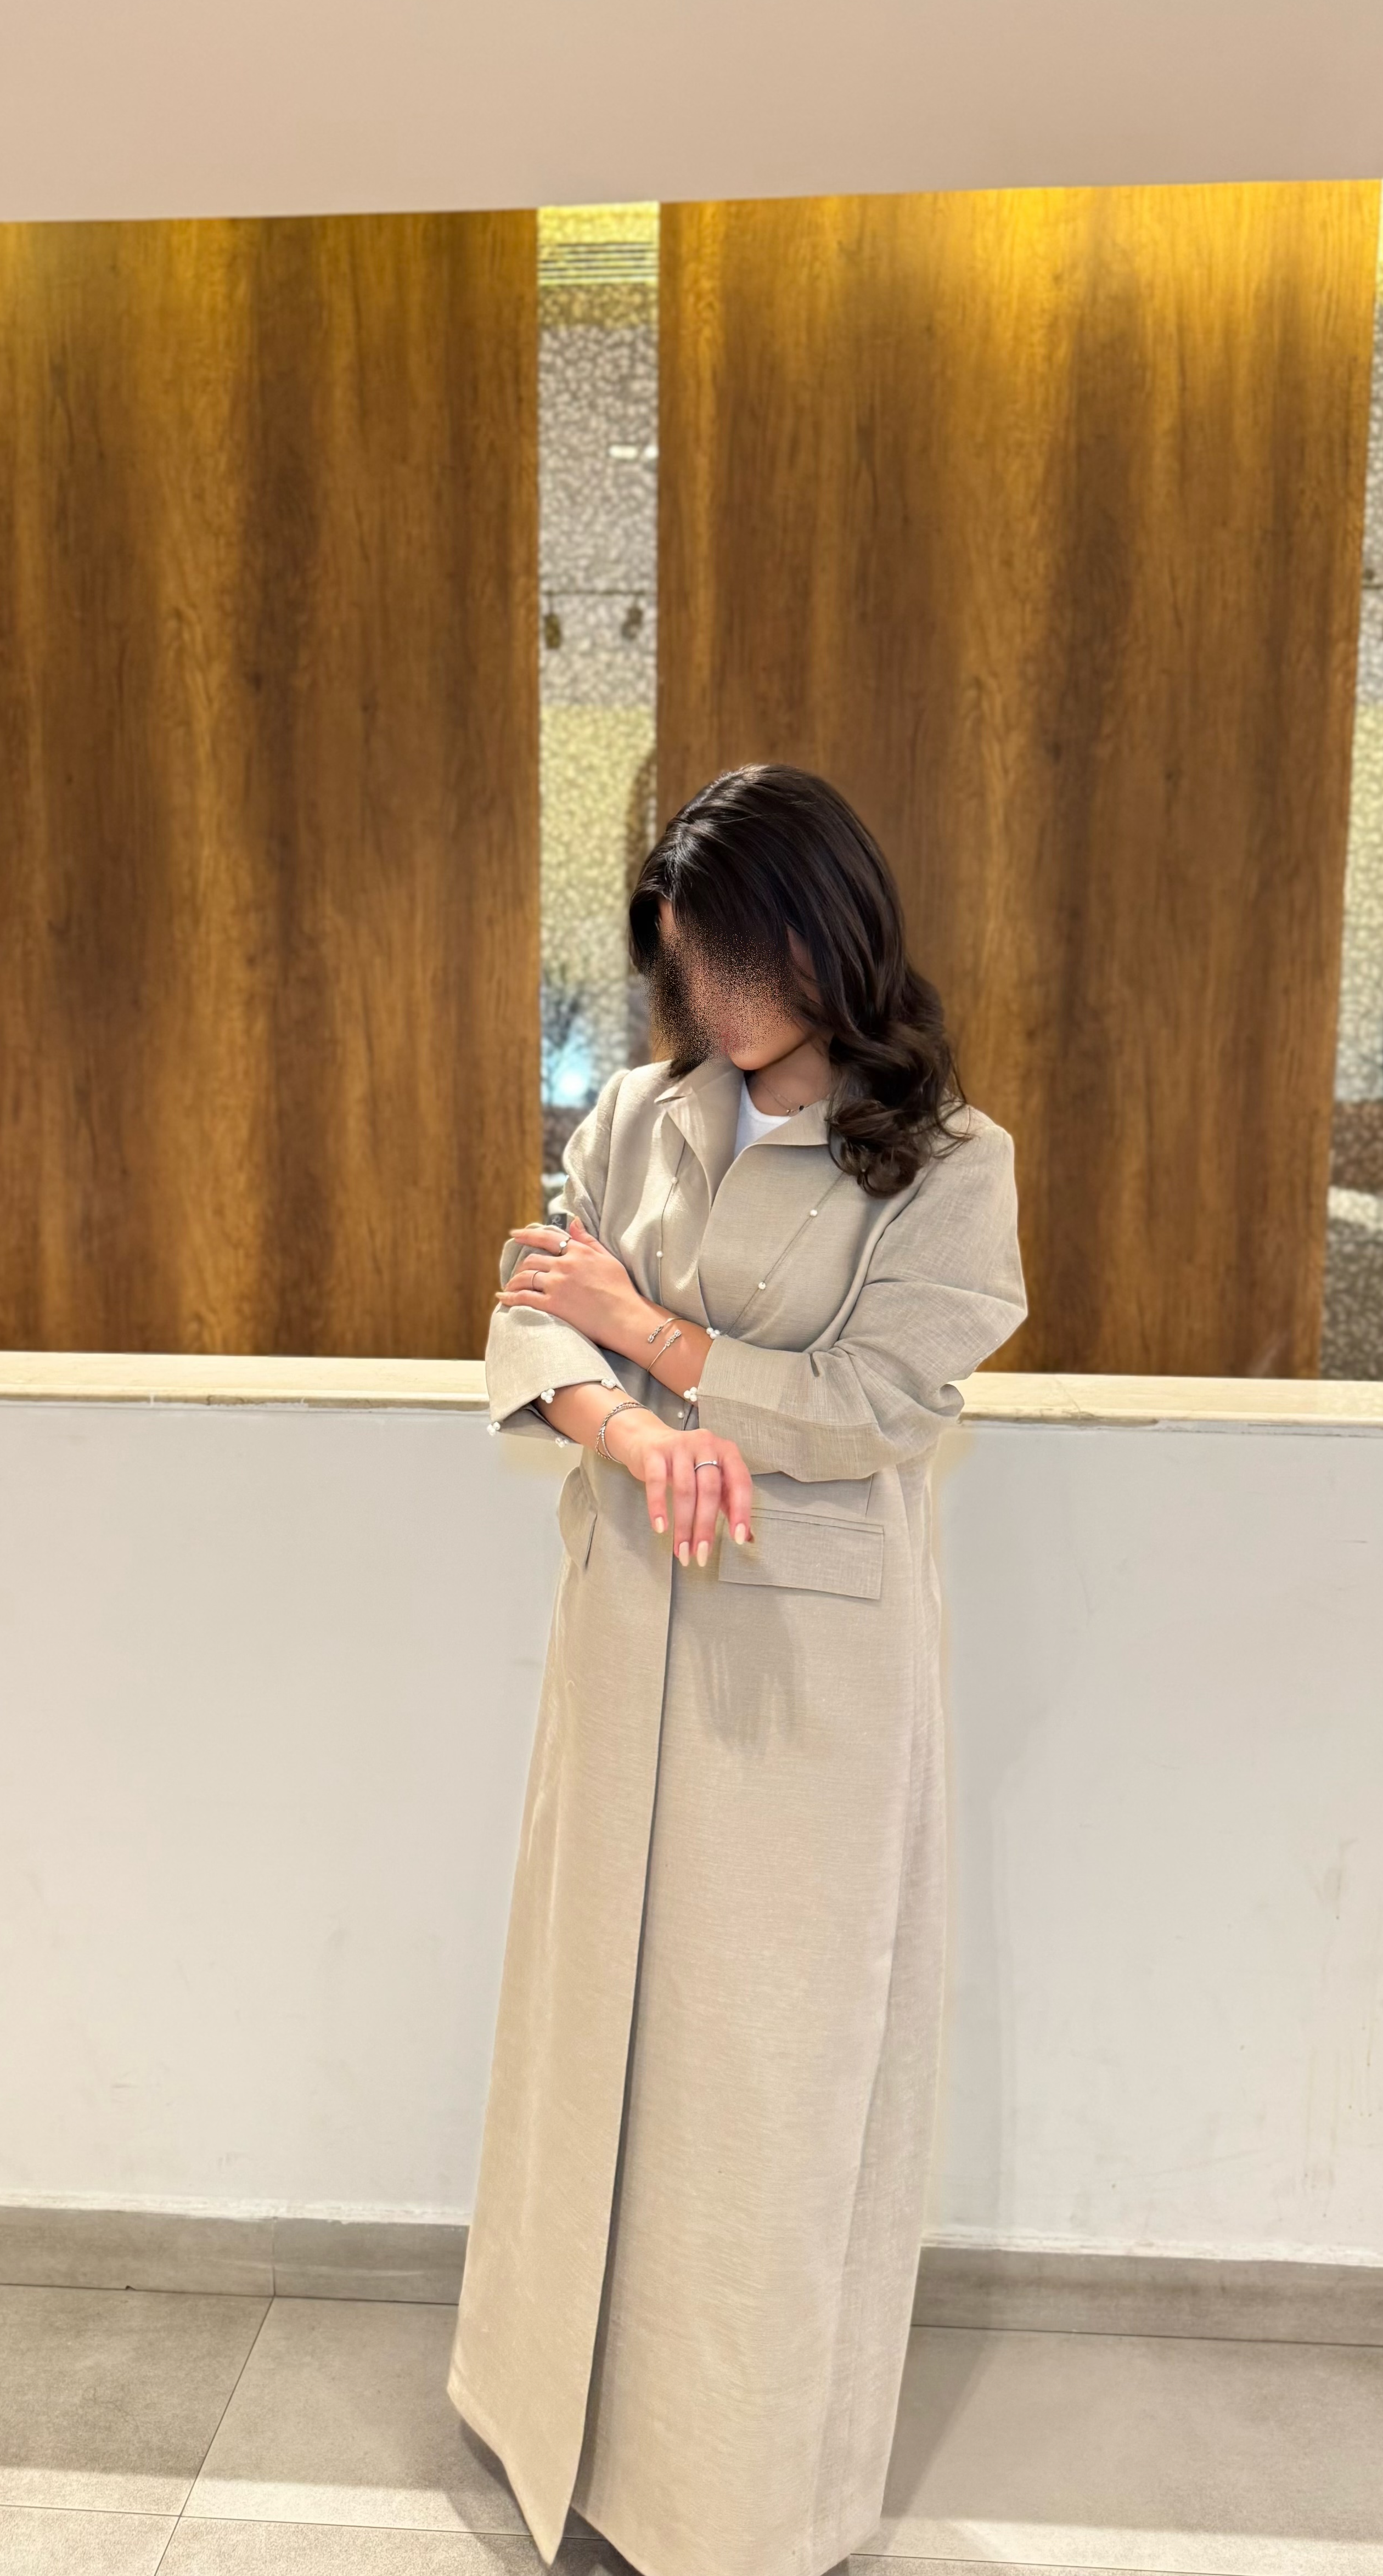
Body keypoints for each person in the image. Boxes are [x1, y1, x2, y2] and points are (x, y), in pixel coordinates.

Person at [447, 764, 1027, 2576]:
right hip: (630, 1630)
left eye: (748, 956)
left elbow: (882, 1407)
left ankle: (739, 2499)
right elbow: (527, 1321)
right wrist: (634, 1431)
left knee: (766, 2079)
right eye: (690, 962)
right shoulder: (636, 1115)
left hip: (809, 1688)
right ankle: (553, 2428)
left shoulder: (950, 1162)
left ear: (831, 934)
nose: (718, 998)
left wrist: (656, 1338)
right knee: (591, 2033)